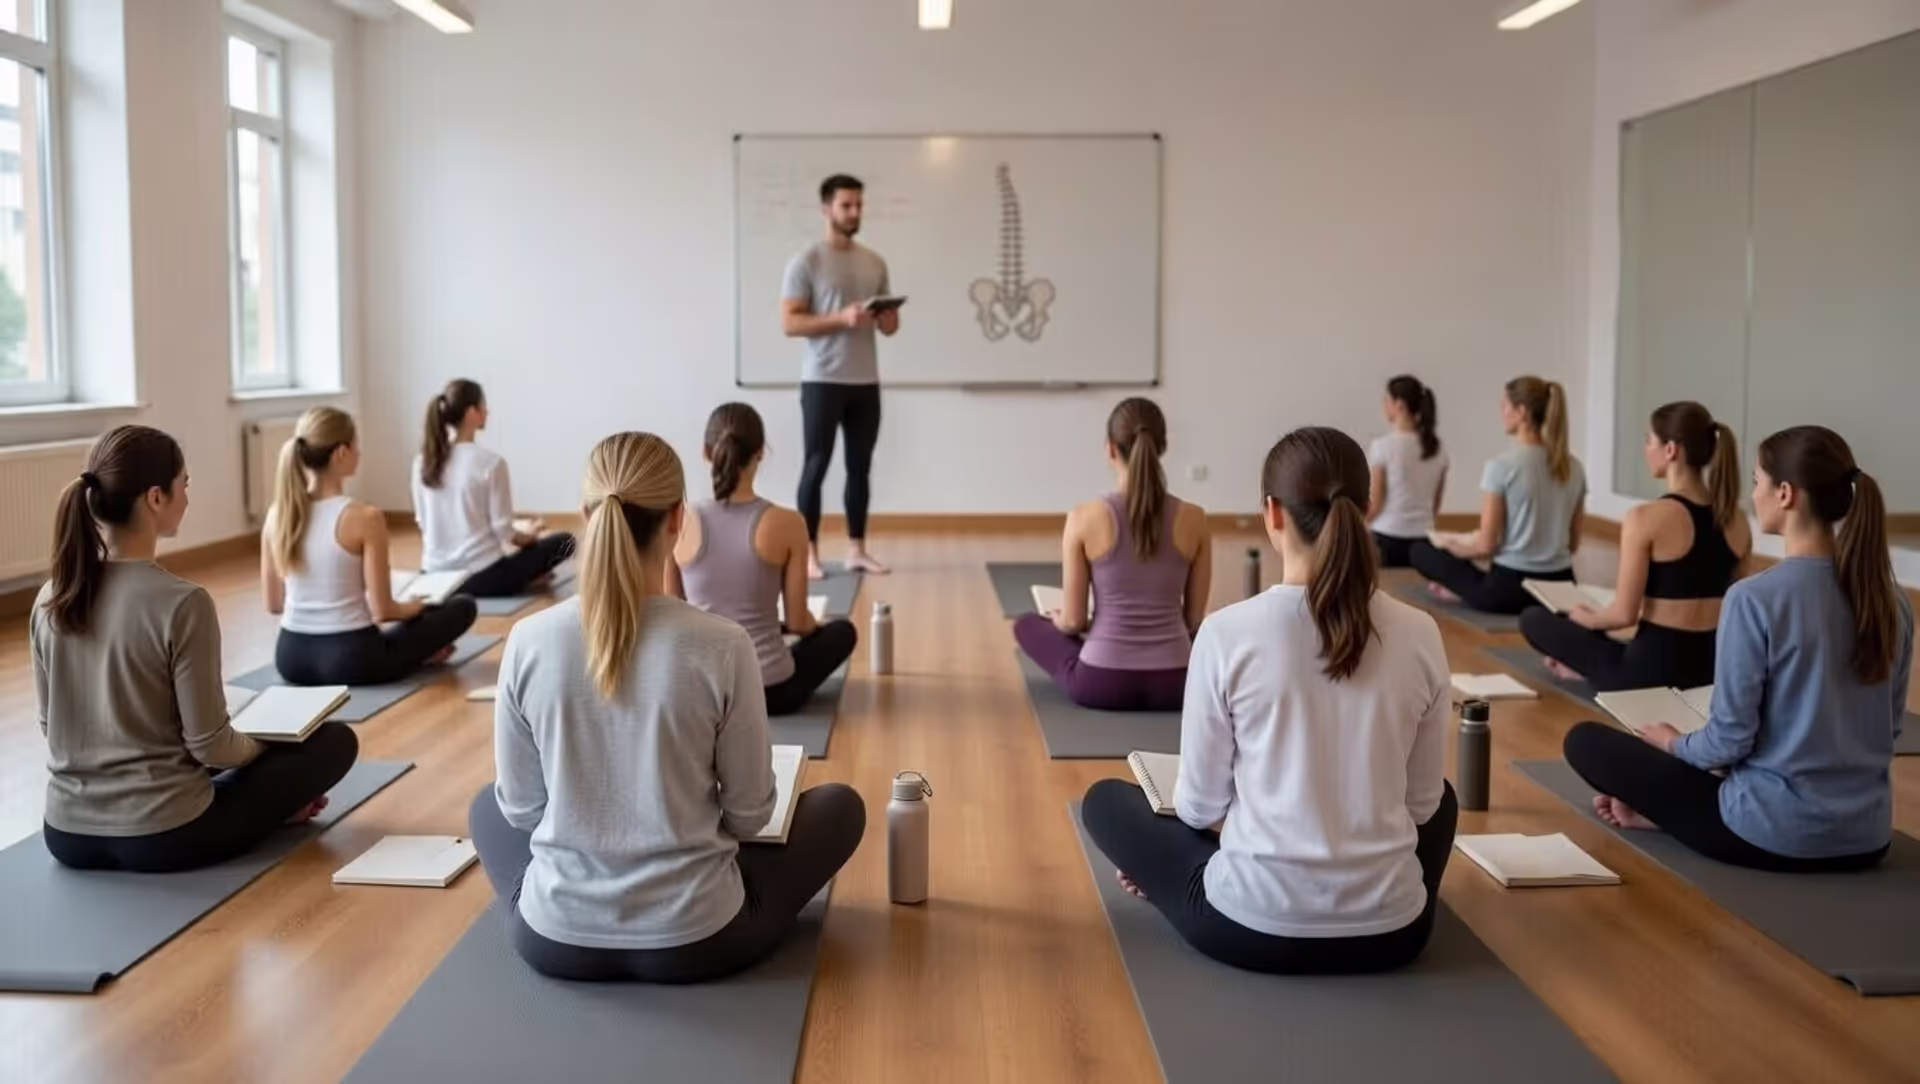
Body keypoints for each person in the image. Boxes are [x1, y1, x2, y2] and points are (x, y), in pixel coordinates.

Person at [468, 431, 866, 982]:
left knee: (486, 807)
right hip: (698, 938)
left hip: (555, 938)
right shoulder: (723, 644)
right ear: (678, 519)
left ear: (586, 514)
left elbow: (522, 812)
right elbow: (750, 816)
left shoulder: (527, 639)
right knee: (841, 807)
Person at [1082, 427, 1456, 974]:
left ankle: (1207, 870)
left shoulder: (1226, 632)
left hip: (1250, 929)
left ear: (1272, 514)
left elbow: (1198, 808)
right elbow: (1421, 808)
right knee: (1444, 798)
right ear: (1368, 509)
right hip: (1394, 933)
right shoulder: (1421, 632)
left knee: (1104, 801)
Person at [1564, 426, 1909, 872]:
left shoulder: (1754, 598)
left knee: (1584, 742)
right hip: (1867, 837)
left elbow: (1727, 743)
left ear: (1785, 494)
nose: (1753, 494)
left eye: (1757, 481)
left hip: (1771, 834)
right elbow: (1890, 728)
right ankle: (1670, 814)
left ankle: (1672, 816)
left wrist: (1674, 743)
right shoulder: (1892, 601)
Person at [32, 425, 357, 873]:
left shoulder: (52, 595)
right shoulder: (183, 602)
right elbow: (213, 749)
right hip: (167, 835)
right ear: (155, 498)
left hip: (66, 835)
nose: (187, 496)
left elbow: (51, 724)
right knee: (335, 740)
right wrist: (268, 742)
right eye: (183, 485)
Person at [1521, 403, 1751, 691]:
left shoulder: (1645, 518)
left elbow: (1622, 615)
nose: (1645, 449)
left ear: (1670, 450)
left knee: (1534, 619)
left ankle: (1587, 673)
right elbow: (1737, 613)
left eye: (1648, 440)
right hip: (1708, 671)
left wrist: (1584, 619)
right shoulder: (1738, 520)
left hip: (1648, 674)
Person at [1013, 398, 1210, 712]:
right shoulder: (1195, 518)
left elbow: (1074, 621)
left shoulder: (1083, 517)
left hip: (1101, 683)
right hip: (1178, 685)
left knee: (1026, 625)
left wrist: (1061, 621)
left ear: (1110, 448)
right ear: (1162, 447)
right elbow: (1193, 621)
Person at [265, 407, 478, 687]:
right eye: (356, 447)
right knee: (462, 606)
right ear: (341, 453)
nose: (359, 454)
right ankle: (423, 653)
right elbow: (383, 611)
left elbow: (274, 603)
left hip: (291, 658)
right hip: (353, 660)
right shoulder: (366, 517)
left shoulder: (277, 514)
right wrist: (416, 607)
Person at [669, 403, 858, 716]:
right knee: (842, 632)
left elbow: (671, 614)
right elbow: (799, 622)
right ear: (760, 453)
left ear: (706, 453)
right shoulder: (788, 523)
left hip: (700, 695)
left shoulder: (681, 520)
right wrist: (802, 627)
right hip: (771, 693)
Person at [781, 173, 899, 580]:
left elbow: (889, 329)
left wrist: (888, 318)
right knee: (815, 466)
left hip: (865, 381)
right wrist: (840, 317)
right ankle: (809, 554)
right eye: (847, 205)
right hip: (822, 381)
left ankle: (856, 549)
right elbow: (790, 323)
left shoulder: (874, 262)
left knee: (860, 467)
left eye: (859, 205)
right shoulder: (806, 262)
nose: (854, 212)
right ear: (826, 208)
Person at [1407, 376, 1586, 614]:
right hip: (1561, 587)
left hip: (1508, 590)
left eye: (1505, 405)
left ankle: (1460, 588)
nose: (1501, 411)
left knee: (1421, 551)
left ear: (1521, 412)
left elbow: (1486, 546)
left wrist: (1451, 546)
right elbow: (1573, 545)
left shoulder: (1501, 467)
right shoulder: (1574, 467)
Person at [413, 379, 574, 598]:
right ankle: (533, 577)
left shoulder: (422, 462)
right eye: (483, 405)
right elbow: (505, 533)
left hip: (432, 576)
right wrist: (531, 537)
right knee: (566, 541)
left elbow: (422, 522)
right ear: (471, 412)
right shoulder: (491, 463)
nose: (487, 411)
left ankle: (532, 575)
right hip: (483, 578)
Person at [1368, 375, 1448, 567]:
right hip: (1424, 541)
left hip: (1387, 540)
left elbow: (1376, 502)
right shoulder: (1438, 448)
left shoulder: (1382, 447)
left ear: (1400, 405)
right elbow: (1435, 505)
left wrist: (1354, 526)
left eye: (1387, 400)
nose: (1384, 405)